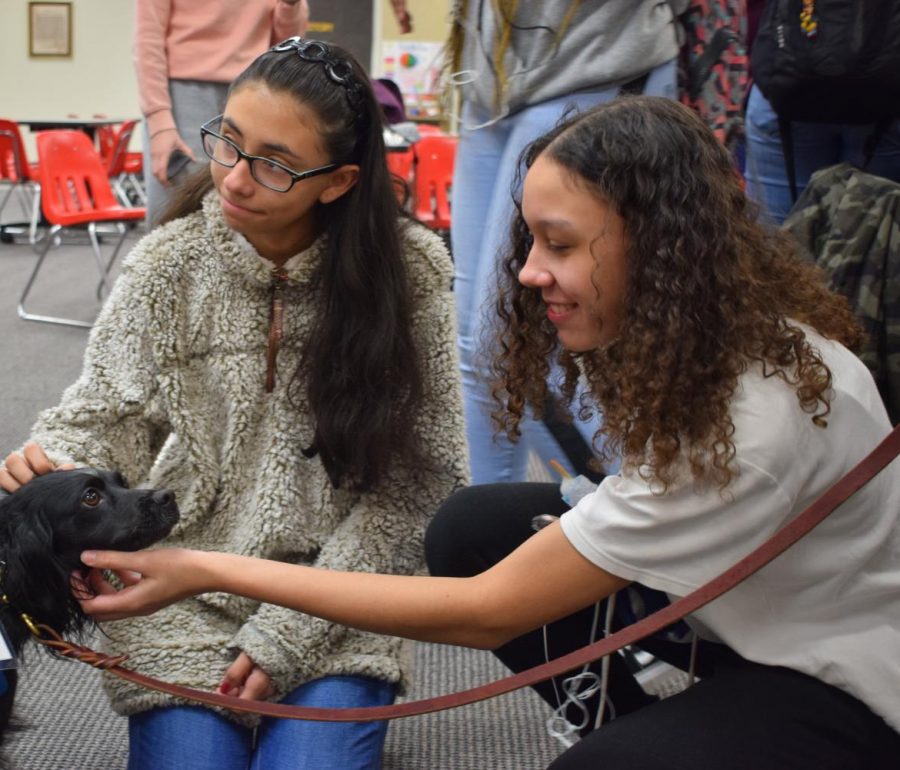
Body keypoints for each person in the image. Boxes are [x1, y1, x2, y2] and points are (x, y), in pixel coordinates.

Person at [72, 96, 900, 769]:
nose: (529, 270)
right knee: (478, 525)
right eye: (531, 237)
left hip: (844, 679)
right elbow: (99, 403)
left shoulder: (744, 431)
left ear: (660, 248)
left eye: (559, 244)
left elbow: (485, 612)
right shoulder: (711, 333)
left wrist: (203, 569)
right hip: (750, 600)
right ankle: (647, 713)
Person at [1, 37, 468, 770]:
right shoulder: (168, 262)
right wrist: (58, 467)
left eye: (275, 163)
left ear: (340, 181)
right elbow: (101, 417)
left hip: (336, 602)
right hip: (174, 592)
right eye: (227, 142)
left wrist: (289, 632)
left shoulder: (411, 276)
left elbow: (424, 486)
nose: (235, 179)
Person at [443, 0, 687, 483]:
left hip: (592, 64)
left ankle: (652, 504)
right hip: (493, 79)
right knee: (480, 347)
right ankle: (488, 531)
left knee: (528, 337)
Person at [135, 0, 310, 226]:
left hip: (253, 89)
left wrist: (289, 5)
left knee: (247, 208)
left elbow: (287, 46)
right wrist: (160, 122)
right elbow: (148, 41)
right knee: (179, 215)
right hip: (183, 96)